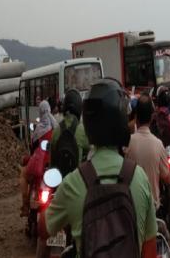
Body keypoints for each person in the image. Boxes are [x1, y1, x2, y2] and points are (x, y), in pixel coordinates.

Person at [38, 78, 157, 258]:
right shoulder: (139, 178)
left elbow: (44, 228)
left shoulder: (73, 183)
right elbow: (150, 250)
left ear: (89, 125)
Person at [126, 93, 170, 209]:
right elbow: (167, 177)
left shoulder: (127, 143)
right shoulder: (158, 144)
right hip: (152, 206)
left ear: (136, 117)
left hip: (130, 206)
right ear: (152, 117)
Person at [20, 100, 58, 216]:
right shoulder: (57, 128)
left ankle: (25, 206)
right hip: (54, 166)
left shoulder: (38, 130)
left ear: (40, 112)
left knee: (23, 175)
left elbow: (33, 150)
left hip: (39, 165)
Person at [50, 89, 90, 177]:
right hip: (77, 179)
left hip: (58, 180)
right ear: (80, 108)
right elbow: (90, 153)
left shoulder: (56, 130)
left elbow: (51, 160)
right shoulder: (83, 130)